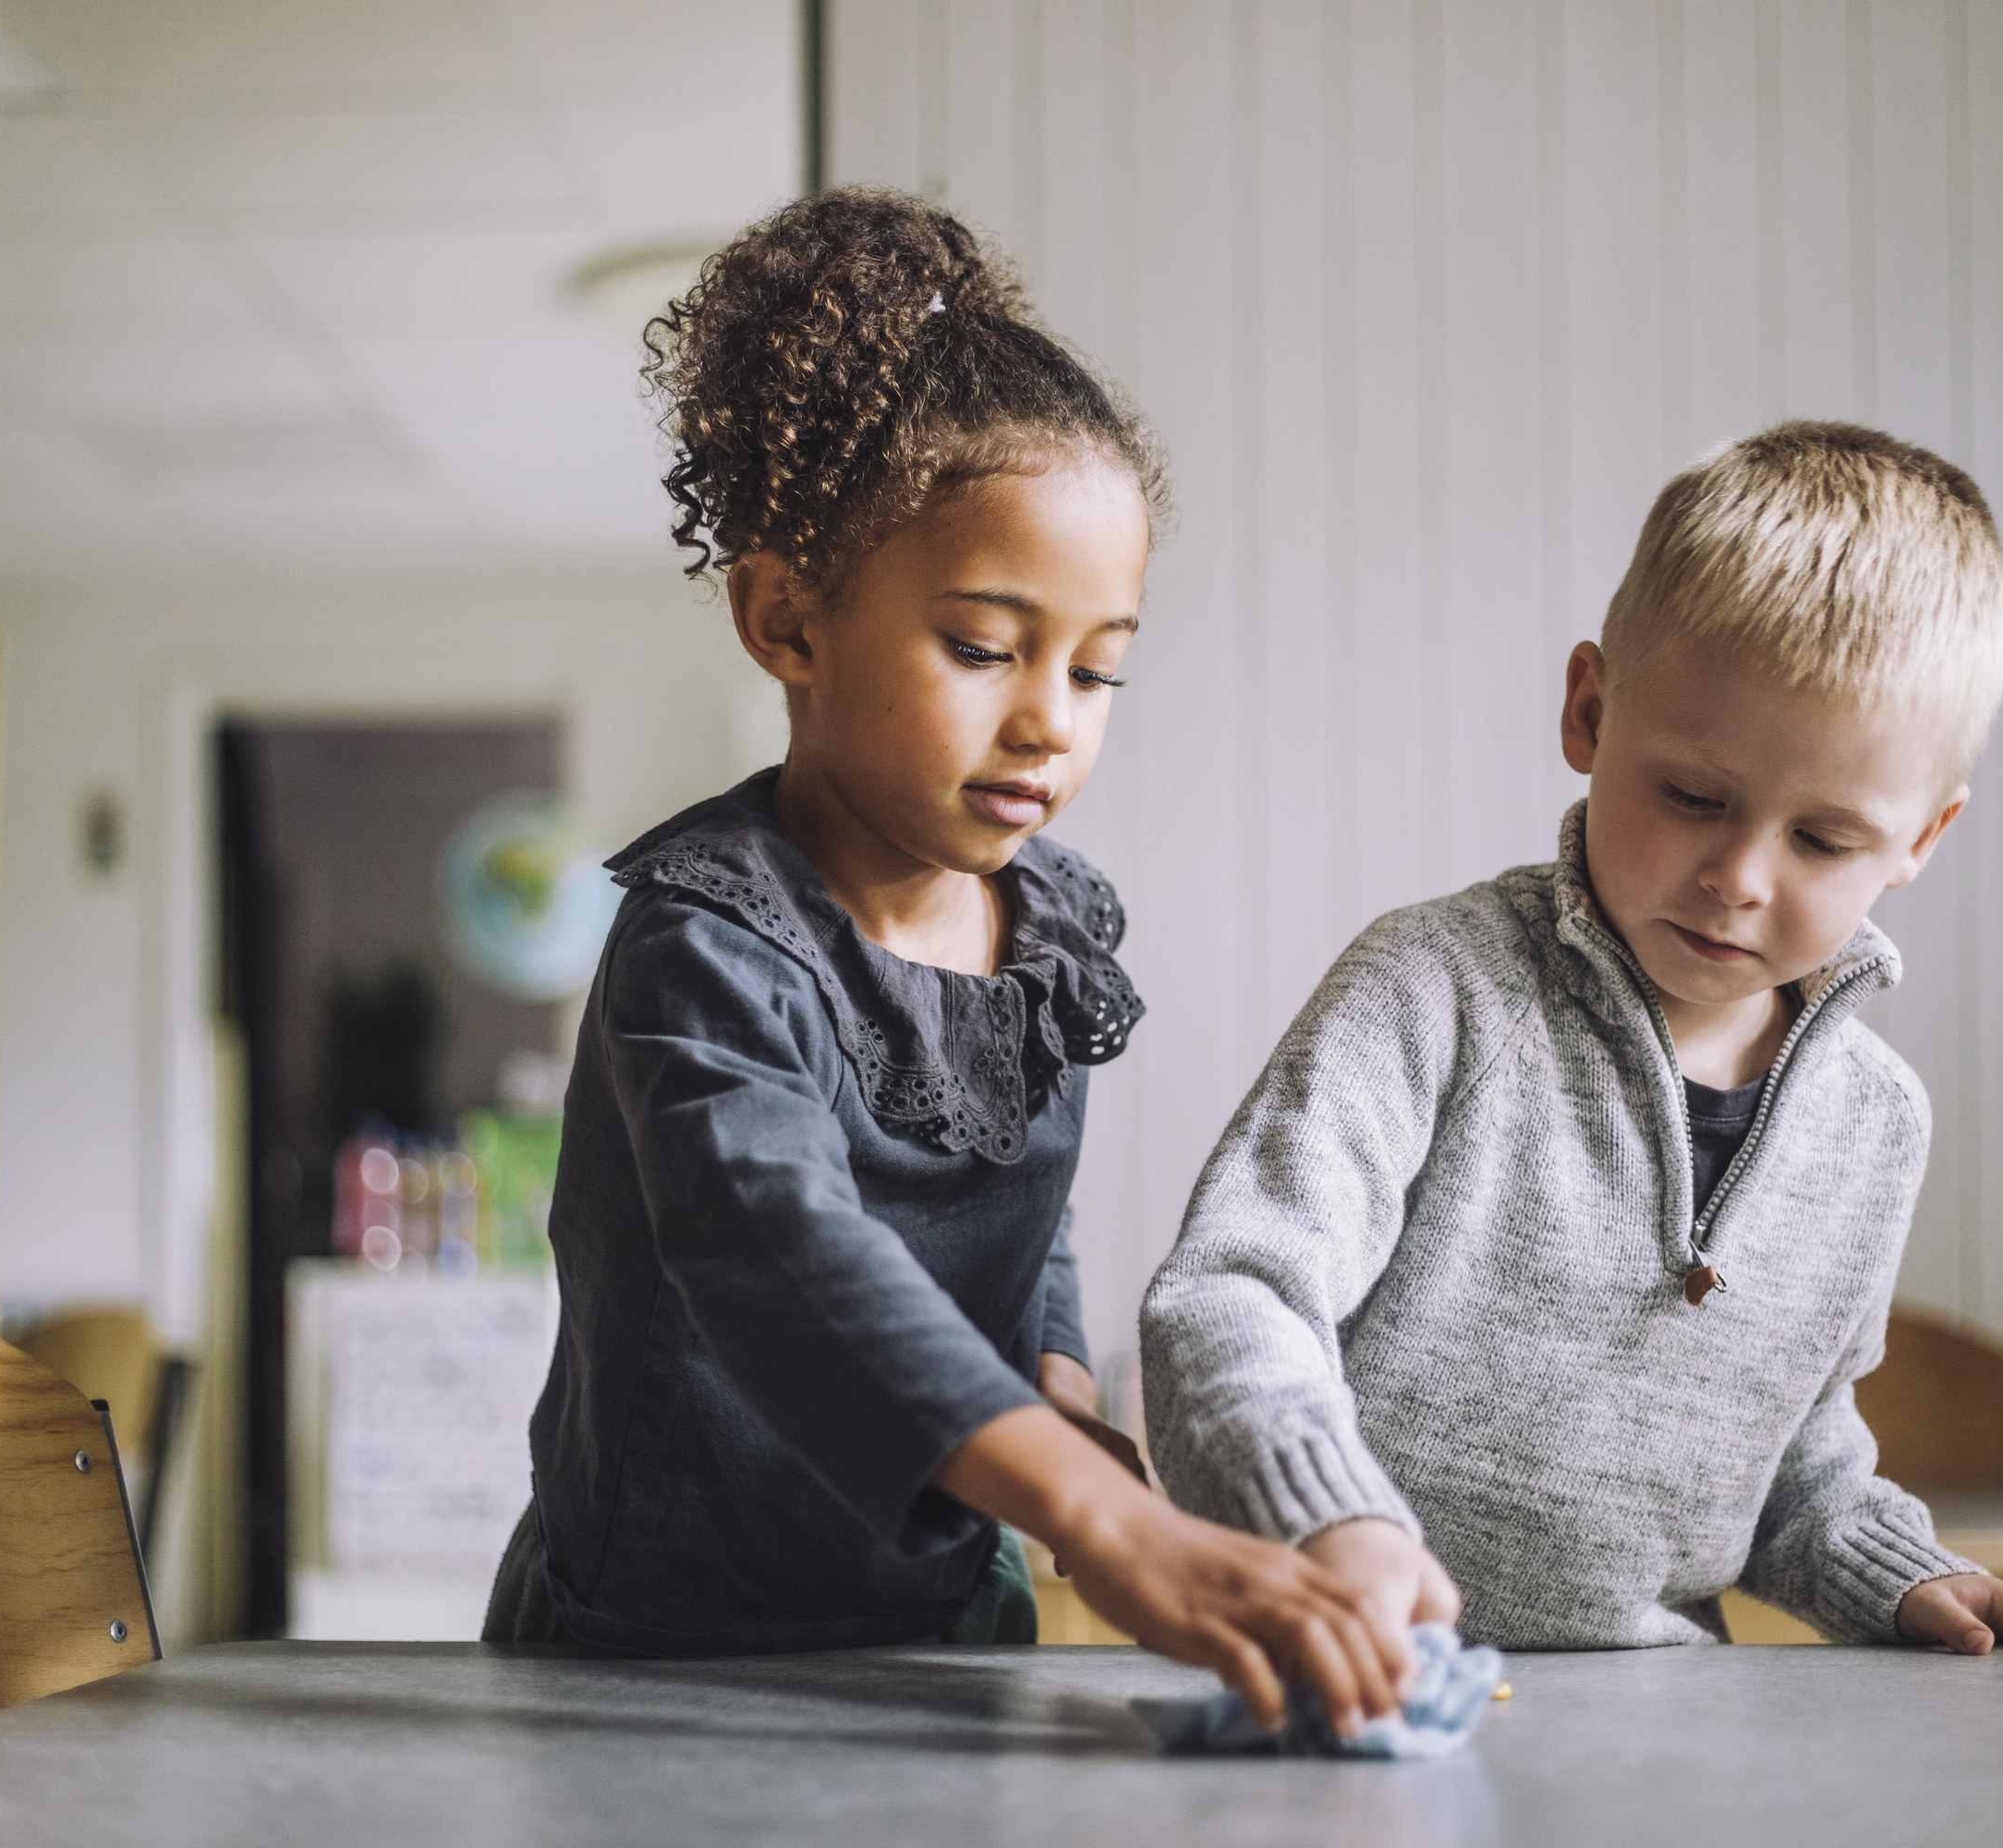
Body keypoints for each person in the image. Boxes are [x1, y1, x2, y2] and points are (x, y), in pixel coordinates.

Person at [488, 188, 1407, 1735]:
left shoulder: (1049, 931)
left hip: (943, 1633)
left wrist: (1060, 1411)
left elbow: (1017, 1223)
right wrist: (1115, 1530)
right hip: (657, 1656)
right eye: (984, 647)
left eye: (1099, 665)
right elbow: (782, 1254)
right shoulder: (705, 939)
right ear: (789, 618)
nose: (1051, 717)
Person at [1141, 422, 2003, 1659]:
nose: (1738, 877)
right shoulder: (1435, 991)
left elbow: (1794, 1469)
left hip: (1649, 1726)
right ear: (1591, 711)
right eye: (1693, 798)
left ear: (1923, 838)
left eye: (1823, 842)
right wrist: (1334, 1519)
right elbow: (1231, 1299)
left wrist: (1903, 1575)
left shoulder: (1877, 1123)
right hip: (1333, 1672)